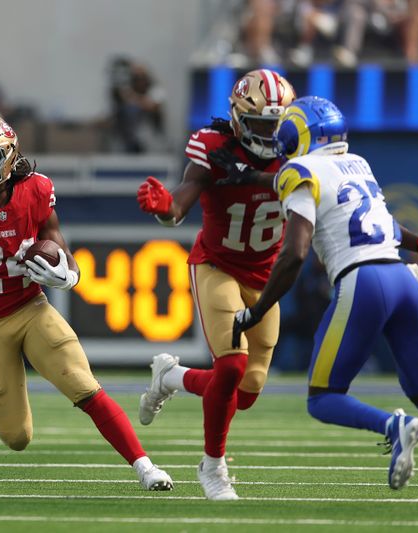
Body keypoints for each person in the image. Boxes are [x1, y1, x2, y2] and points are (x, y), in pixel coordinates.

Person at [230, 95, 418, 508]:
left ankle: (392, 425)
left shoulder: (299, 170)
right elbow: (385, 224)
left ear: (301, 133)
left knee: (323, 398)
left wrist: (259, 308)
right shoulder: (356, 163)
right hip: (401, 278)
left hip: (363, 281)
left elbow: (295, 253)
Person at [0, 114, 173, 491]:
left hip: (30, 309)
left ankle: (145, 467)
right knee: (17, 437)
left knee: (84, 386)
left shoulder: (36, 190)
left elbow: (58, 243)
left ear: (9, 158)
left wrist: (70, 274)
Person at [136, 69, 296, 500]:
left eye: (274, 125)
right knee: (230, 367)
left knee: (244, 393)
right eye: (260, 124)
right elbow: (182, 201)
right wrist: (165, 208)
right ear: (240, 118)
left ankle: (171, 377)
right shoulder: (212, 148)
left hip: (264, 279)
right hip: (218, 265)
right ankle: (213, 468)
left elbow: (296, 187)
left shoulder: (296, 158)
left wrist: (249, 174)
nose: (268, 133)